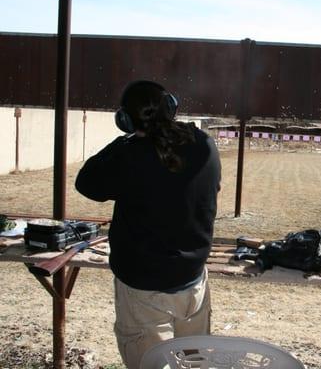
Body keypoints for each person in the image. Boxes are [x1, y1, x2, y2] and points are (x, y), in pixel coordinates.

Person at [75, 80, 221, 369]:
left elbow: (86, 182)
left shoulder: (129, 156)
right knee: (196, 364)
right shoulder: (205, 144)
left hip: (143, 289)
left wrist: (125, 140)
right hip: (193, 283)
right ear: (171, 106)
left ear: (125, 121)